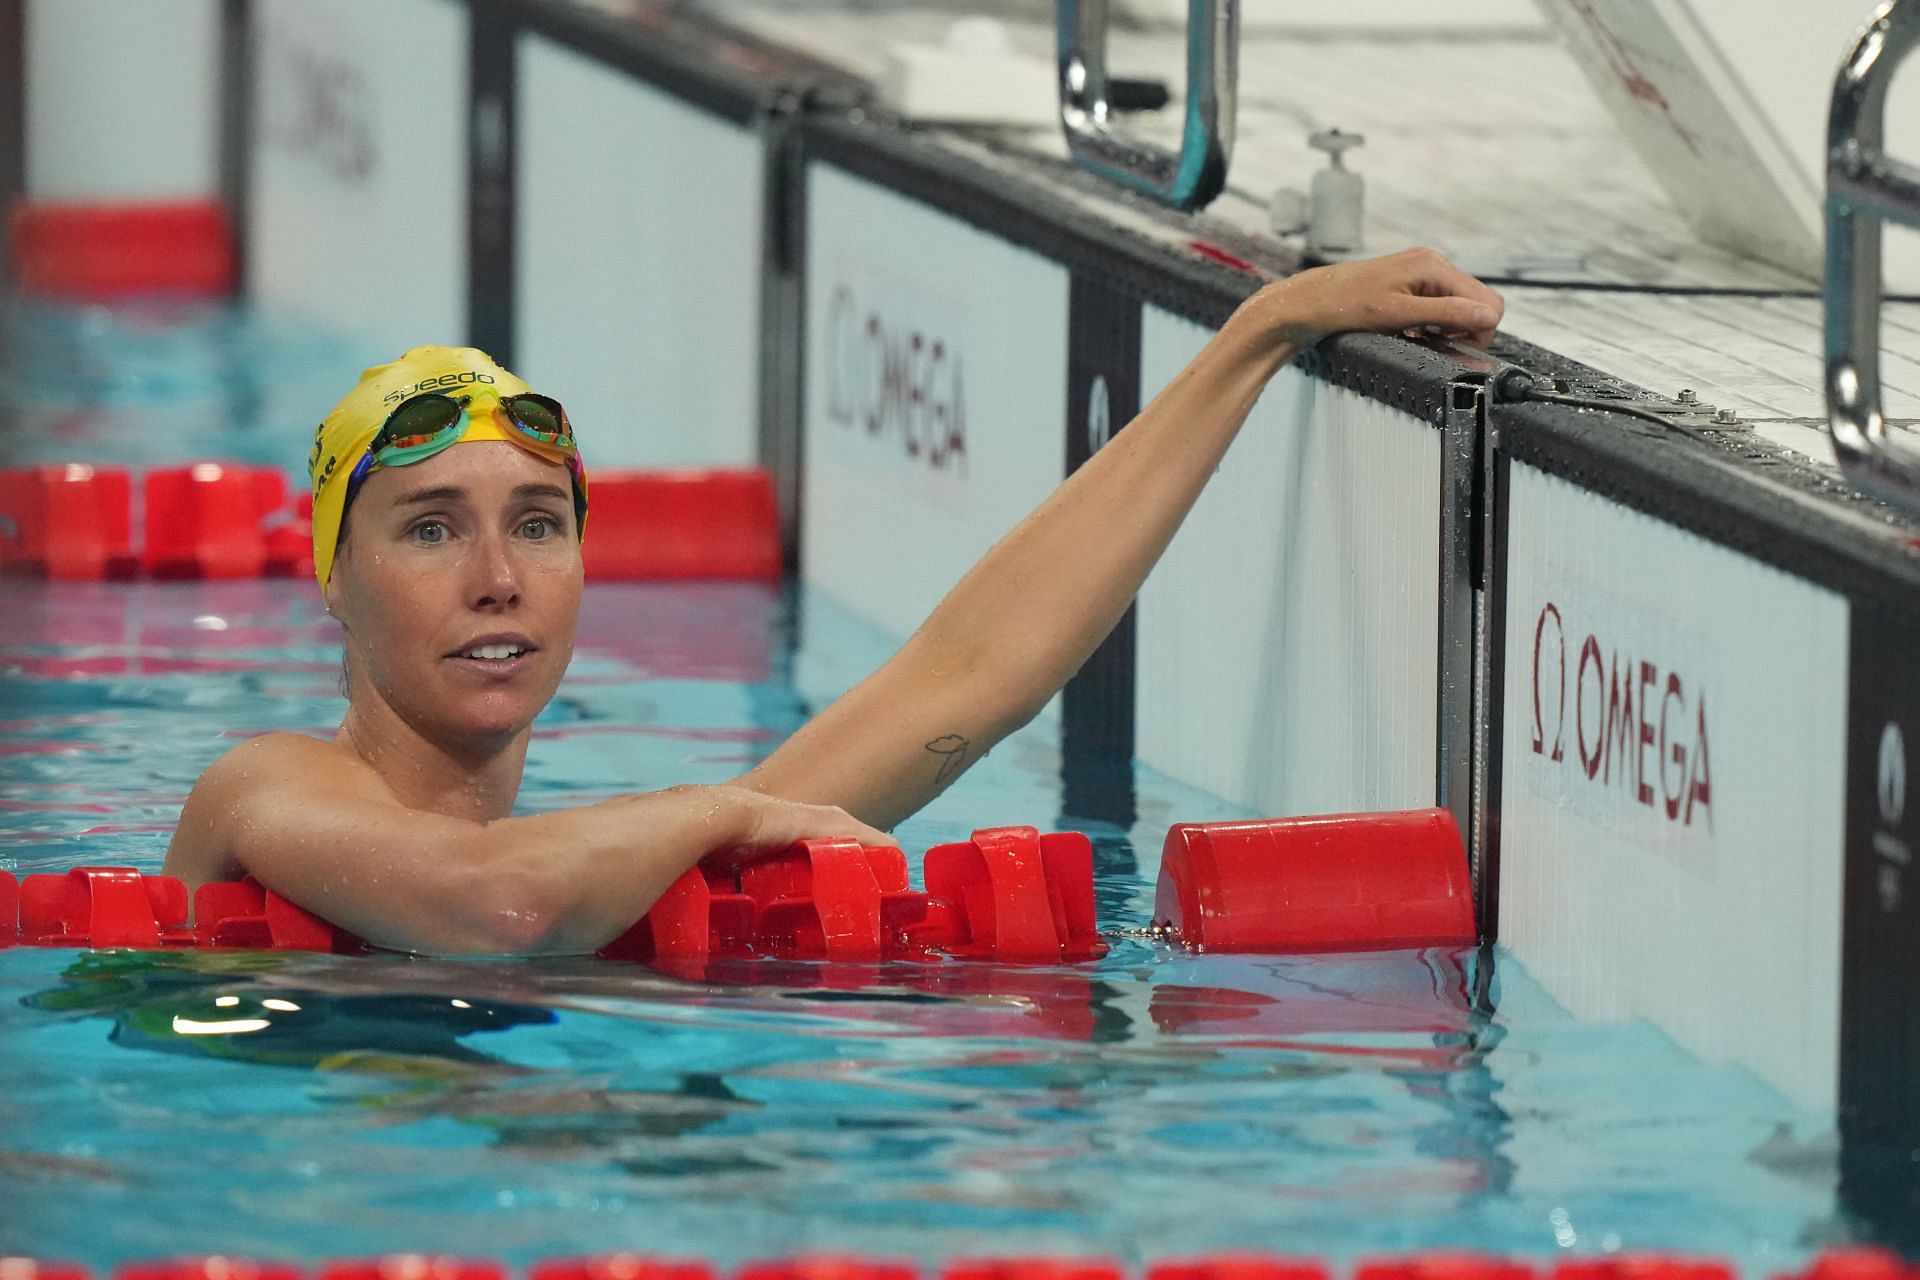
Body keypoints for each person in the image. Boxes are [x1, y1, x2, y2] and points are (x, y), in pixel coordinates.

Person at [162, 247, 1503, 955]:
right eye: (430, 529)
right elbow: (497, 909)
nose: (498, 577)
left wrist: (1260, 334)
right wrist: (727, 807)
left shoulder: (621, 865)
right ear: (329, 575)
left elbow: (968, 678)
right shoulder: (261, 793)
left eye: (538, 524)